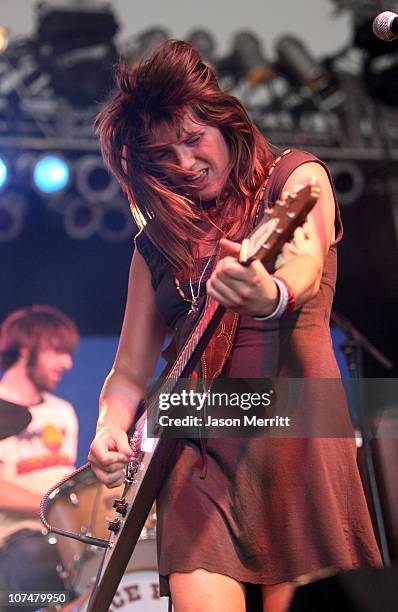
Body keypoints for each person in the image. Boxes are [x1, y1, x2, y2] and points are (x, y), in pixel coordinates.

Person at [88, 40, 382, 612]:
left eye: (193, 139)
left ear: (224, 125)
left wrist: (268, 295)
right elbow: (128, 371)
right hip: (197, 449)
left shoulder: (296, 178)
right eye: (162, 152)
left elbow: (302, 261)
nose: (183, 161)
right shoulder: (156, 245)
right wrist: (108, 426)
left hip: (299, 440)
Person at [0, 305, 79, 606]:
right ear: (24, 349)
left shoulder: (62, 412)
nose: (68, 363)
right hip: (14, 541)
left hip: (65, 537)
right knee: (38, 557)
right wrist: (53, 505)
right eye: (57, 351)